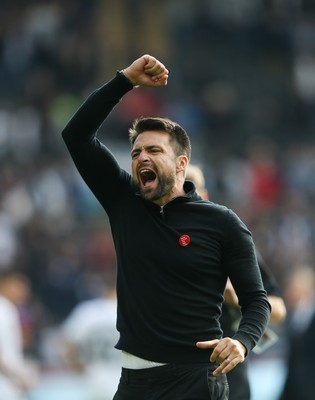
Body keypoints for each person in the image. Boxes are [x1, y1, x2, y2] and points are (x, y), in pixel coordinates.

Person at [62, 54, 271, 400]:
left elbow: (256, 301)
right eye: (136, 152)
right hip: (132, 382)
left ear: (181, 164)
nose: (142, 157)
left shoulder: (222, 222)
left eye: (154, 150)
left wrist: (242, 341)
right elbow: (76, 135)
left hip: (195, 379)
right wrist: (124, 81)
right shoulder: (123, 202)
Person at [186, 163, 287, 400]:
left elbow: (278, 308)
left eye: (191, 187)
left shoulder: (229, 239)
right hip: (175, 375)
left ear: (205, 194)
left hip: (229, 378)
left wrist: (239, 299)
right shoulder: (160, 241)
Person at [0, 269, 35, 400]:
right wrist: (17, 376)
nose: (24, 292)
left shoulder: (10, 309)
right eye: (19, 286)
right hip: (4, 382)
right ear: (5, 285)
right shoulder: (3, 310)